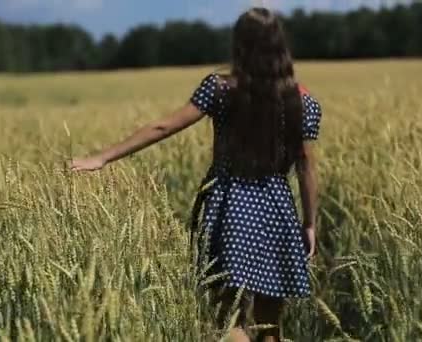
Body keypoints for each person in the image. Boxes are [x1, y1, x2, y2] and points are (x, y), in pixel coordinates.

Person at [71, 7, 321, 342]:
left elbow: (163, 126)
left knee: (228, 318)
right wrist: (309, 223)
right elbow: (306, 166)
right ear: (280, 45)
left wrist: (101, 158)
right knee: (271, 328)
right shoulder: (304, 103)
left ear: (239, 46)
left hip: (229, 207)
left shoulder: (220, 88)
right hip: (276, 211)